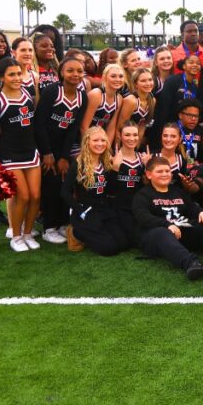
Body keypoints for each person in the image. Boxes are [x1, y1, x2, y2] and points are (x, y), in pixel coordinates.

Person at [134, 157, 203, 277]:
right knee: (161, 232)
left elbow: (191, 208)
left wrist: (201, 212)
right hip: (155, 238)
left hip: (180, 233)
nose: (164, 174)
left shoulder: (177, 191)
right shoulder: (142, 195)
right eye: (159, 171)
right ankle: (192, 264)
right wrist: (167, 225)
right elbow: (142, 217)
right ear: (149, 175)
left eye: (167, 171)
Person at [0, 58, 42, 252]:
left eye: (19, 73)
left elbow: (34, 127)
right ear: (2, 77)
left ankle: (28, 233)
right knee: (23, 196)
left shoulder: (27, 93)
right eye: (12, 74)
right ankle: (16, 236)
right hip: (10, 155)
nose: (17, 78)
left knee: (36, 196)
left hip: (31, 152)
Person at [35, 55, 86, 245]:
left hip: (63, 148)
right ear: (61, 73)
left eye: (79, 71)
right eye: (70, 70)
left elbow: (73, 128)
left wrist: (64, 156)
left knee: (65, 185)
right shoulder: (52, 91)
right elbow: (39, 124)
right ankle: (48, 227)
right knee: (50, 186)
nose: (75, 74)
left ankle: (63, 223)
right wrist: (47, 153)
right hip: (44, 146)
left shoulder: (82, 96)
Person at [62, 127, 131, 255]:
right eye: (95, 140)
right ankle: (75, 232)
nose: (100, 144)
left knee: (123, 244)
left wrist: (115, 168)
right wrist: (80, 212)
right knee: (109, 249)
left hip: (104, 209)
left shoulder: (106, 163)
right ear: (87, 142)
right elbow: (65, 192)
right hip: (85, 210)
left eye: (103, 140)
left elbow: (109, 190)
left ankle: (97, 231)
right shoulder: (78, 164)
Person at [153, 52, 201, 146]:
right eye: (191, 62)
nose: (195, 65)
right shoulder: (173, 80)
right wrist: (161, 131)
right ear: (184, 66)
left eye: (198, 63)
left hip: (182, 129)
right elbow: (163, 107)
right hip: (167, 126)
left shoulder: (195, 86)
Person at [81, 63, 125, 148]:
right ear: (104, 78)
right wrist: (89, 148)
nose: (118, 79)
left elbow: (111, 127)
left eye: (121, 76)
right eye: (113, 76)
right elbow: (84, 126)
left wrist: (106, 149)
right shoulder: (96, 94)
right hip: (83, 140)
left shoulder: (119, 99)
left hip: (100, 142)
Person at [118, 68, 156, 138]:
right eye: (143, 81)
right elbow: (120, 127)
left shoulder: (152, 100)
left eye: (150, 80)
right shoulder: (131, 100)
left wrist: (137, 145)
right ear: (135, 84)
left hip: (135, 139)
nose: (148, 83)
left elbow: (143, 125)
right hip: (123, 139)